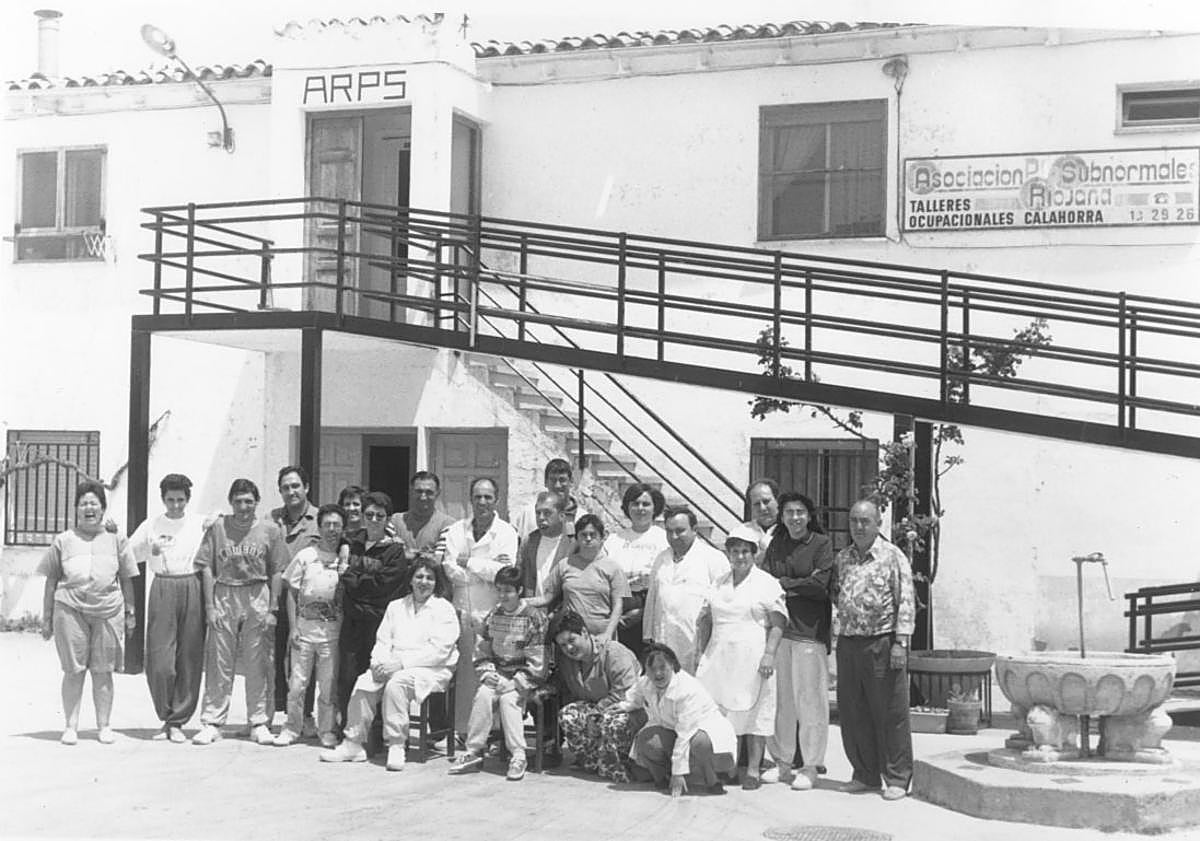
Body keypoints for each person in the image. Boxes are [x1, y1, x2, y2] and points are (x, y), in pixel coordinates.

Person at [321, 558, 460, 771]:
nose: (424, 582)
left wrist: (400, 665)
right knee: (365, 681)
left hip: (431, 669)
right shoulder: (396, 607)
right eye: (419, 577)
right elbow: (383, 641)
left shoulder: (444, 609)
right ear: (411, 580)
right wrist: (378, 664)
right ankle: (353, 743)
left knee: (397, 683)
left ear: (436, 582)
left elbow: (439, 651)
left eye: (430, 578)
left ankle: (396, 743)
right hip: (393, 664)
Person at [38, 480, 139, 745]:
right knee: (73, 670)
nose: (89, 508)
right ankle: (70, 727)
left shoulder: (117, 538)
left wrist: (131, 611)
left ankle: (104, 726)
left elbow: (128, 578)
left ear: (104, 508)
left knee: (103, 671)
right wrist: (46, 618)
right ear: (75, 509)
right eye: (83, 504)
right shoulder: (63, 540)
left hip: (108, 610)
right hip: (69, 609)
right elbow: (50, 581)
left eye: (94, 503)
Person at [192, 479, 288, 745]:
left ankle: (259, 721)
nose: (243, 506)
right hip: (225, 593)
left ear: (257, 502)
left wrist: (273, 608)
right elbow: (206, 566)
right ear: (230, 502)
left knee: (258, 661)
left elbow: (277, 569)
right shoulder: (218, 527)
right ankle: (212, 721)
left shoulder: (270, 530)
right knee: (219, 661)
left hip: (257, 592)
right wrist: (210, 606)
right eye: (238, 501)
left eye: (248, 501)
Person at [695, 525, 787, 790]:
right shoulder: (719, 582)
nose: (740, 557)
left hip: (754, 654)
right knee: (725, 712)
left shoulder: (767, 584)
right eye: (735, 551)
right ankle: (730, 766)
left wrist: (769, 655)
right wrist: (703, 653)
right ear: (728, 553)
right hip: (720, 654)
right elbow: (707, 620)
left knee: (754, 712)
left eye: (745, 551)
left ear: (754, 554)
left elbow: (778, 622)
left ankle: (754, 770)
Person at [834, 499, 915, 801]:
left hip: (883, 642)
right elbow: (837, 596)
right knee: (854, 711)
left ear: (878, 524)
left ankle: (896, 777)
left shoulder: (893, 556)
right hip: (849, 642)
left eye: (865, 521)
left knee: (890, 712)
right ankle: (865, 774)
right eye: (854, 520)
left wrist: (900, 642)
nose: (858, 526)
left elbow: (905, 600)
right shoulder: (844, 558)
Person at [760, 491, 835, 790]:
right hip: (779, 633)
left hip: (809, 633)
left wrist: (784, 584)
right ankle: (782, 762)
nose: (794, 518)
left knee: (810, 702)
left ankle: (810, 766)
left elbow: (820, 585)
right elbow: (765, 582)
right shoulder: (777, 544)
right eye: (789, 512)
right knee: (781, 701)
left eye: (800, 512)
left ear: (810, 515)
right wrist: (794, 585)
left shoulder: (822, 544)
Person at [448, 566, 549, 781]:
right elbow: (482, 648)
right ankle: (473, 751)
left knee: (508, 700)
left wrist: (516, 682)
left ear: (519, 590)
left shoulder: (534, 617)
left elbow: (538, 661)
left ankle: (519, 755)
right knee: (483, 695)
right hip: (499, 672)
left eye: (508, 591)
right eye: (500, 590)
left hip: (525, 676)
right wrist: (487, 672)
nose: (503, 596)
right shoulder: (494, 614)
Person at [128, 473, 207, 743]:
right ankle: (165, 713)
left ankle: (178, 721)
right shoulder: (152, 524)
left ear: (188, 499)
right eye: (171, 500)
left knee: (189, 655)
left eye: (181, 500)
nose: (175, 505)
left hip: (192, 585)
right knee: (160, 659)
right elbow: (128, 554)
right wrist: (150, 549)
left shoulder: (199, 523)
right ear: (163, 499)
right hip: (163, 585)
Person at [440, 476, 519, 732]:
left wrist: (471, 562)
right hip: (462, 611)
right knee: (464, 674)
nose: (482, 502)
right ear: (471, 499)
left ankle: (494, 734)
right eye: (477, 497)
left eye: (487, 497)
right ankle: (462, 731)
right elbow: (450, 568)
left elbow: (505, 573)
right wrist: (488, 569)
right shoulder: (456, 530)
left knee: (493, 674)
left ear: (496, 499)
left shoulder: (506, 532)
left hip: (494, 615)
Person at [337, 491, 410, 747]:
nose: (374, 520)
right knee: (347, 677)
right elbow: (343, 577)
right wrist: (359, 581)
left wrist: (356, 578)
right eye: (369, 515)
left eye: (380, 516)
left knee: (376, 678)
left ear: (388, 518)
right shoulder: (351, 543)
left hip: (378, 624)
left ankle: (376, 737)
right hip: (352, 622)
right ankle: (346, 732)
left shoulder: (395, 551)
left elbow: (385, 587)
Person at [618, 643, 737, 797]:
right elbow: (635, 696)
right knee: (645, 740)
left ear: (672, 665)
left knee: (699, 742)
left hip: (702, 732)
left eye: (662, 667)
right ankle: (663, 777)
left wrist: (678, 772)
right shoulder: (645, 682)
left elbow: (685, 732)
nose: (657, 673)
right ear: (644, 670)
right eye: (651, 668)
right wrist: (624, 706)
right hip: (673, 730)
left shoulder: (687, 689)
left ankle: (712, 779)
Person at [275, 504, 348, 748]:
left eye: (336, 525)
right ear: (319, 527)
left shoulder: (344, 559)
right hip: (304, 632)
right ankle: (292, 727)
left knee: (328, 686)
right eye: (327, 524)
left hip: (332, 634)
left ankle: (326, 730)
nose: (331, 530)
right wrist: (294, 626)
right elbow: (291, 592)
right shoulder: (306, 556)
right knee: (297, 684)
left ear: (343, 528)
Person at [552, 610, 643, 782]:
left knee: (610, 721)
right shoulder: (566, 661)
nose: (568, 648)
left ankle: (621, 767)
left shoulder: (614, 652)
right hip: (596, 709)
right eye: (563, 645)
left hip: (628, 709)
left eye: (572, 640)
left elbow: (624, 693)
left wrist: (596, 713)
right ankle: (592, 763)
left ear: (585, 633)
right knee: (568, 714)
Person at [642, 506, 728, 673]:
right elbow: (652, 599)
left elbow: (723, 602)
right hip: (664, 638)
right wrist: (648, 635)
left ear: (694, 530)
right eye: (669, 531)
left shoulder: (713, 559)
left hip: (698, 643)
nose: (674, 537)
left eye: (680, 531)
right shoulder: (661, 558)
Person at [270, 465, 321, 731]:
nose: (291, 491)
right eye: (285, 487)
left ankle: (307, 715)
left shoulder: (319, 519)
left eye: (295, 486)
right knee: (275, 656)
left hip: (307, 602)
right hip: (276, 598)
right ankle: (278, 711)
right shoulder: (272, 519)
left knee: (305, 658)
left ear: (306, 488)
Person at [530, 514, 628, 642]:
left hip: (601, 639)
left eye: (592, 534)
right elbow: (546, 598)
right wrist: (520, 602)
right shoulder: (564, 565)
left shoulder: (614, 568)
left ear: (602, 537)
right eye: (583, 534)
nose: (588, 538)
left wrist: (608, 634)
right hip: (570, 639)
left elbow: (618, 606)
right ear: (577, 537)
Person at [605, 483, 668, 662]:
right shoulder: (614, 539)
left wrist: (641, 611)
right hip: (619, 608)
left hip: (651, 608)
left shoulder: (663, 538)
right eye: (635, 503)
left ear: (655, 508)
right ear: (627, 507)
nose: (640, 508)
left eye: (646, 504)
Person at [510, 458, 584, 542]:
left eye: (562, 480)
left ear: (571, 482)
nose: (557, 486)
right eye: (552, 480)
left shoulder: (581, 517)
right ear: (545, 482)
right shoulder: (528, 514)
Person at [516, 491, 573, 597]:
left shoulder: (572, 544)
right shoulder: (529, 541)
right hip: (532, 610)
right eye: (538, 513)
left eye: (547, 513)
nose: (541, 518)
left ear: (561, 516)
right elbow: (521, 575)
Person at [389, 471, 455, 562]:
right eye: (419, 491)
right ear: (411, 491)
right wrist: (427, 554)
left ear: (438, 493)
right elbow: (389, 556)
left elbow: (438, 560)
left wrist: (407, 553)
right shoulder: (395, 521)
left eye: (429, 492)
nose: (423, 497)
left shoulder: (447, 524)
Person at [744, 479, 781, 556]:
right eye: (757, 504)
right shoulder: (742, 533)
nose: (762, 508)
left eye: (766, 501)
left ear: (778, 501)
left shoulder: (792, 531)